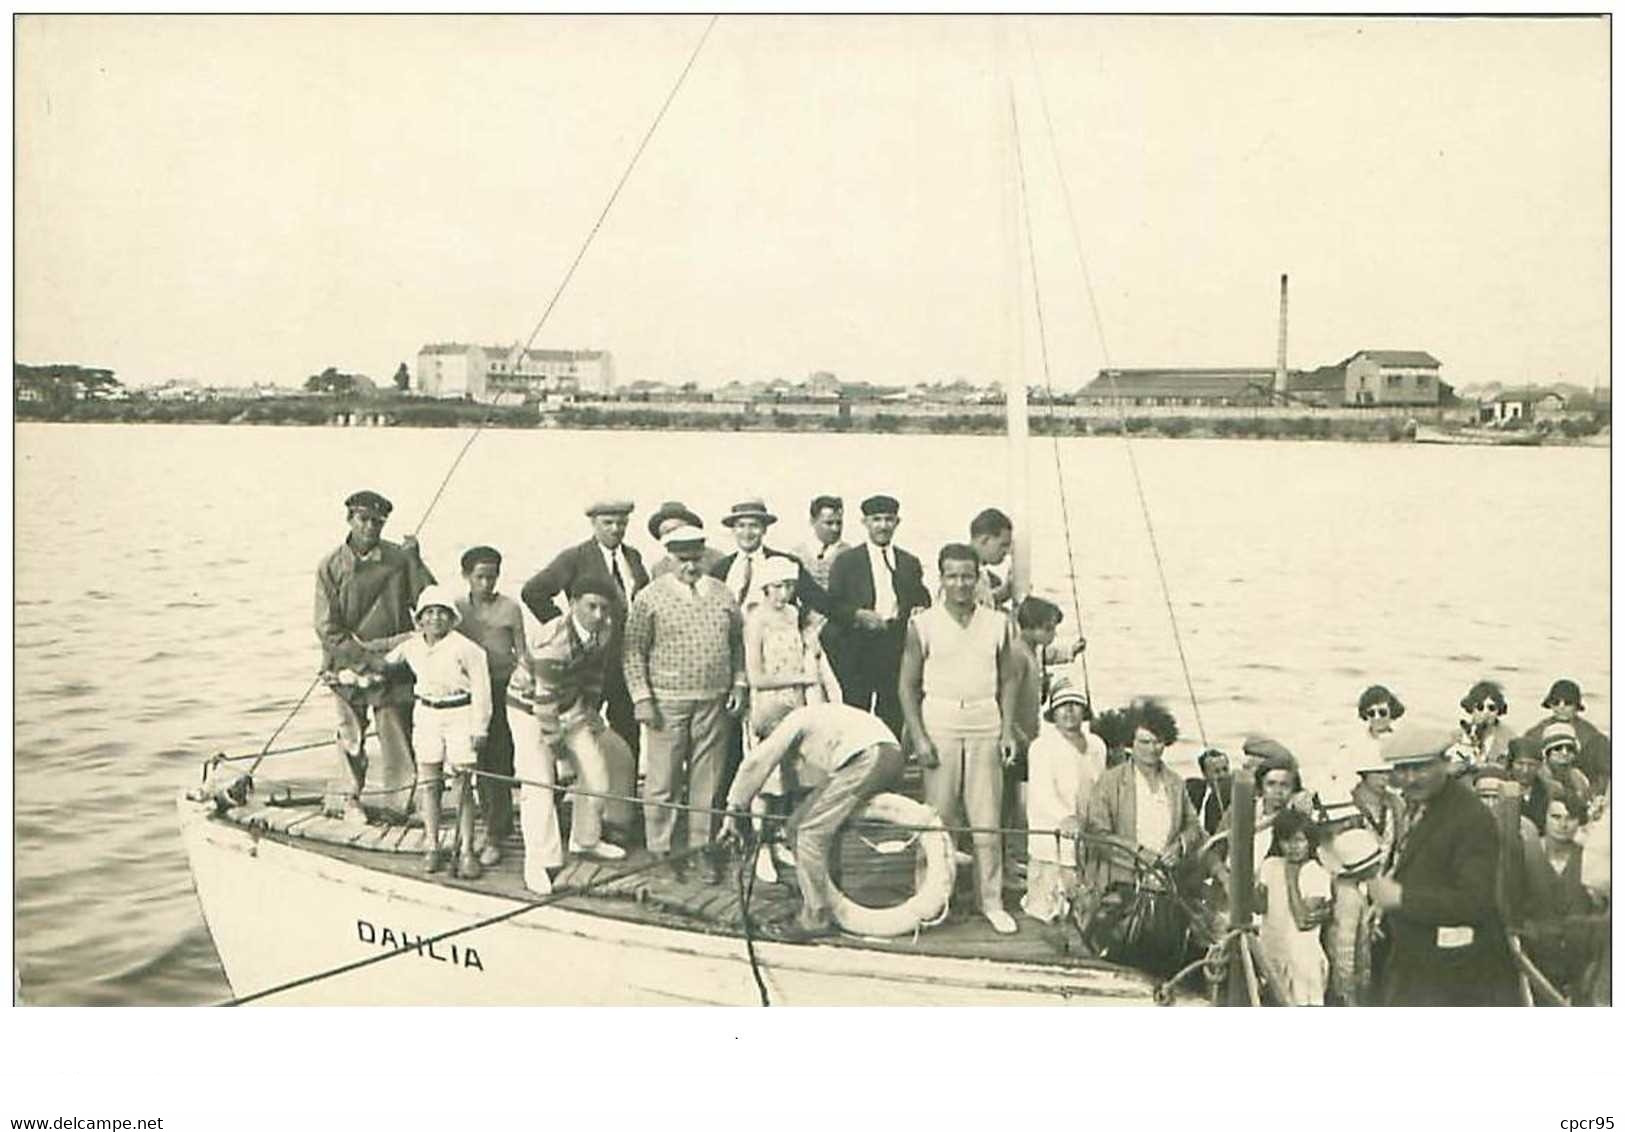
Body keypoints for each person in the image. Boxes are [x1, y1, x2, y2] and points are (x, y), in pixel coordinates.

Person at [898, 542, 1023, 934]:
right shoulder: (923, 624)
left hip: (985, 720)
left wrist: (1006, 729)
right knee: (938, 818)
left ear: (979, 577)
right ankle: (931, 896)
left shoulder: (998, 623)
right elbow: (906, 685)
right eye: (952, 576)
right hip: (941, 720)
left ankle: (991, 900)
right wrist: (918, 737)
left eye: (968, 576)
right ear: (941, 578)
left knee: (986, 820)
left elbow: (1009, 678)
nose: (960, 584)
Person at [622, 523, 746, 884]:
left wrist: (739, 683)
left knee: (707, 780)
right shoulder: (650, 597)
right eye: (682, 559)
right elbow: (632, 652)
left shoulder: (723, 594)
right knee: (663, 781)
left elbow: (737, 644)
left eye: (696, 559)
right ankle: (660, 850)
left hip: (714, 701)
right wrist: (642, 698)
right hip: (666, 703)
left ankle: (700, 849)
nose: (690, 567)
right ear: (668, 557)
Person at [721, 703, 906, 941]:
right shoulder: (820, 720)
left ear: (775, 726)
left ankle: (815, 918)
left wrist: (733, 810)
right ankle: (825, 898)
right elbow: (812, 794)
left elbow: (757, 763)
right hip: (886, 754)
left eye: (765, 736)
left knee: (806, 832)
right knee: (804, 823)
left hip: (868, 758)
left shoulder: (794, 722)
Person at [1368, 721, 1518, 1006]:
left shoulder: (1470, 819)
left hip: (1457, 977)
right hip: (1418, 965)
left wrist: (1401, 898)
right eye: (1401, 769)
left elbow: (1476, 901)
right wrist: (1386, 908)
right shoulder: (1423, 806)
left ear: (1446, 764)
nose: (1410, 778)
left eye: (1420, 767)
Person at [507, 576, 636, 895]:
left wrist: (589, 712)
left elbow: (594, 675)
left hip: (570, 703)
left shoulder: (603, 631)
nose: (598, 614)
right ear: (573, 604)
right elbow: (544, 705)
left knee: (597, 777)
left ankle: (585, 839)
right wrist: (561, 754)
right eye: (591, 606)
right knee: (539, 785)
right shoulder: (554, 642)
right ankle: (539, 861)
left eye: (604, 608)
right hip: (530, 709)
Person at [313, 489, 436, 824]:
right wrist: (366, 659)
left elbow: (430, 603)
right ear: (350, 520)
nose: (370, 527)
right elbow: (326, 628)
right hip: (347, 664)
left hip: (394, 663)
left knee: (396, 732)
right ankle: (348, 799)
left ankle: (401, 802)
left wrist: (416, 560)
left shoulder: (399, 558)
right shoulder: (331, 566)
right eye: (363, 519)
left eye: (377, 521)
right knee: (350, 735)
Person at [520, 500, 650, 772]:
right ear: (594, 524)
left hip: (625, 661)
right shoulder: (576, 557)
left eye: (622, 523)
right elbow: (534, 592)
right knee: (575, 726)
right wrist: (567, 631)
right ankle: (565, 792)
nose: (616, 529)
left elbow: (643, 600)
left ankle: (622, 802)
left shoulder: (633, 558)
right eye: (608, 523)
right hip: (589, 661)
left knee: (626, 731)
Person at [382, 585, 492, 878]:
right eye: (428, 613)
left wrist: (480, 727)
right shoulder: (412, 646)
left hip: (460, 714)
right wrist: (350, 667)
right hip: (427, 714)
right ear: (419, 619)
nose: (435, 619)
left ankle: (466, 848)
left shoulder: (467, 649)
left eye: (441, 613)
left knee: (463, 785)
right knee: (429, 784)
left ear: (451, 618)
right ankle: (431, 845)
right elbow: (382, 662)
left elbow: (482, 691)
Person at [743, 556, 841, 880]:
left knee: (789, 776)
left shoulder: (793, 615)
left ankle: (780, 839)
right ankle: (760, 848)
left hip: (795, 705)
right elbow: (756, 677)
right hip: (769, 705)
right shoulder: (755, 620)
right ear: (765, 587)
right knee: (765, 780)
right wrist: (800, 679)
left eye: (788, 586)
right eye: (777, 586)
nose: (783, 593)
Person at [825, 494, 931, 739]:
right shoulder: (847, 562)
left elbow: (921, 597)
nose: (883, 525)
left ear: (897, 522)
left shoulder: (908, 562)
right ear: (865, 523)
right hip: (857, 645)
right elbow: (833, 605)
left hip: (894, 643)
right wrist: (857, 615)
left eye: (888, 520)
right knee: (856, 710)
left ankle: (889, 766)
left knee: (893, 709)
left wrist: (920, 607)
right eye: (876, 520)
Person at [454, 546, 525, 866]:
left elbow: (522, 654)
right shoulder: (456, 610)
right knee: (480, 761)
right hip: (471, 693)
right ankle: (490, 829)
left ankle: (501, 828)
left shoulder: (510, 608)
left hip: (503, 687)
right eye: (480, 577)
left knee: (503, 758)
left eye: (492, 577)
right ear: (467, 576)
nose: (486, 583)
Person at [1021, 684, 1106, 923]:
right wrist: (1065, 817)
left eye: (1075, 705)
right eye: (1061, 707)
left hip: (1087, 829)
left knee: (1087, 889)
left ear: (1084, 711)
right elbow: (1041, 792)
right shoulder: (1041, 747)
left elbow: (1102, 786)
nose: (1069, 711)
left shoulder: (1097, 745)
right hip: (1052, 828)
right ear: (1053, 714)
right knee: (1047, 906)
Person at [1255, 808, 1331, 1006]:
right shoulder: (1271, 865)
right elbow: (1259, 907)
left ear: (1310, 842)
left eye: (1299, 840)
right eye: (1286, 840)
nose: (1293, 847)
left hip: (1302, 960)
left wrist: (1291, 878)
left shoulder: (1316, 872)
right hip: (1272, 952)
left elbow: (1302, 920)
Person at [710, 498, 830, 617]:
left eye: (754, 526)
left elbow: (821, 603)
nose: (747, 533)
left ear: (764, 529)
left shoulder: (786, 563)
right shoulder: (721, 568)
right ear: (733, 530)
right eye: (741, 526)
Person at [1522, 678, 1610, 793]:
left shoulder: (1594, 738)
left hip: (1582, 792)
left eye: (1568, 702)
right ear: (1550, 705)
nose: (1561, 706)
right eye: (1556, 702)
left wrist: (1591, 796)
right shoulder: (1535, 733)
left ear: (1577, 706)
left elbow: (1604, 776)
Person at [1455, 679, 1516, 772]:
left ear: (1499, 710)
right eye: (1480, 707)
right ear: (1471, 708)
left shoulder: (1509, 737)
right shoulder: (1457, 735)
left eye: (1491, 708)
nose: (1486, 713)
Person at [793, 495, 850, 590]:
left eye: (839, 523)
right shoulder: (797, 554)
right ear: (812, 521)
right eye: (829, 523)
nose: (835, 529)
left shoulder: (850, 554)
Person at [967, 507, 1015, 610]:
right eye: (1003, 545)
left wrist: (1004, 593)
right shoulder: (961, 569)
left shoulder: (979, 571)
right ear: (984, 540)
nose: (1007, 552)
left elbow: (977, 603)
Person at [1540, 722, 1594, 805]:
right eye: (1558, 748)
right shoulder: (1538, 778)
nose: (1564, 753)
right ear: (1547, 753)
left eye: (1569, 748)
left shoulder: (1579, 778)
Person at [1185, 747, 1233, 836]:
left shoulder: (1235, 795)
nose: (1222, 775)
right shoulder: (1193, 790)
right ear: (1205, 774)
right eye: (1216, 771)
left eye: (1225, 769)